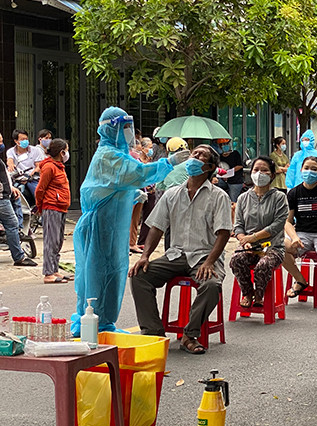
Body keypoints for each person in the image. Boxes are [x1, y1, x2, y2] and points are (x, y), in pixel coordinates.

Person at [71, 107, 184, 335]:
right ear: (109, 129)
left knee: (113, 275)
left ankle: (103, 324)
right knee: (98, 277)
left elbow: (111, 186)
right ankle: (93, 325)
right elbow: (139, 173)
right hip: (100, 227)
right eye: (123, 127)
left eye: (128, 126)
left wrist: (130, 195)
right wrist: (169, 163)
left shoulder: (118, 154)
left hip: (112, 227)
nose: (128, 132)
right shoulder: (108, 155)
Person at [129, 145, 231, 354]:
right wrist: (145, 256)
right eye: (194, 153)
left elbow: (223, 233)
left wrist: (210, 262)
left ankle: (190, 334)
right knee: (139, 276)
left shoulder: (218, 196)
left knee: (211, 285)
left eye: (201, 155)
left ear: (209, 167)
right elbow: (156, 227)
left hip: (205, 256)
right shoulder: (172, 194)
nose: (195, 157)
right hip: (176, 255)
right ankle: (154, 334)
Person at [229, 157, 288, 308]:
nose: (259, 173)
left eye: (264, 170)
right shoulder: (243, 198)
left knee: (263, 264)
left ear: (272, 175)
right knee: (236, 260)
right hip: (249, 247)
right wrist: (244, 240)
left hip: (273, 248)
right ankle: (248, 293)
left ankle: (260, 295)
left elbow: (277, 225)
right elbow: (238, 225)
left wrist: (253, 237)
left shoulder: (279, 198)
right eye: (256, 170)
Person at [283, 156, 317, 298]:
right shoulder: (294, 193)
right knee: (279, 248)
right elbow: (287, 221)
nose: (309, 172)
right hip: (302, 234)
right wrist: (294, 237)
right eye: (306, 168)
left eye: (314, 169)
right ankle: (300, 280)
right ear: (301, 170)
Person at [35, 138, 71, 283]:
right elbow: (40, 189)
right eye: (66, 151)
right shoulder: (49, 167)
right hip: (51, 207)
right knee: (51, 240)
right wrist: (40, 206)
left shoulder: (58, 167)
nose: (67, 154)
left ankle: (54, 270)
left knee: (57, 241)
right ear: (62, 152)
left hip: (61, 207)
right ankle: (48, 273)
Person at [0, 155, 36, 267]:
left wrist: (10, 188)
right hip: (1, 199)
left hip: (5, 195)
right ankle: (19, 257)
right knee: (12, 224)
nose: (1, 144)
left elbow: (5, 177)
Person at [7, 129, 44, 205]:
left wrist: (29, 176)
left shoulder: (35, 150)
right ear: (16, 141)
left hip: (32, 178)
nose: (25, 141)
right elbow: (10, 161)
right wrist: (11, 165)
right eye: (22, 139)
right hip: (18, 179)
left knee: (38, 195)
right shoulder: (11, 151)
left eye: (26, 139)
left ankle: (39, 210)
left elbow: (39, 166)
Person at [215, 138, 244, 203]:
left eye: (226, 144)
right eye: (222, 144)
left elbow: (240, 166)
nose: (224, 146)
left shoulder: (235, 154)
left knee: (233, 201)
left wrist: (229, 172)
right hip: (222, 181)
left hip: (235, 181)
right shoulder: (219, 157)